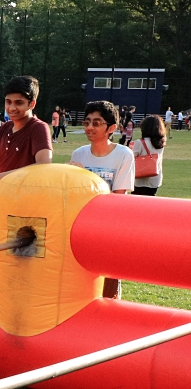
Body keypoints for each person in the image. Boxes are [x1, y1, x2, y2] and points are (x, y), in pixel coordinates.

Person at [71, 100, 134, 300]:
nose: (89, 127)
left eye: (97, 123)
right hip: (82, 226)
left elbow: (118, 197)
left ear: (111, 128)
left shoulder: (123, 154)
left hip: (110, 227)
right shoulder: (79, 153)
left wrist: (85, 179)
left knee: (108, 284)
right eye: (87, 122)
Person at [132, 115, 166, 196]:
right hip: (155, 178)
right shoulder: (161, 142)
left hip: (140, 179)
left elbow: (131, 158)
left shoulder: (140, 142)